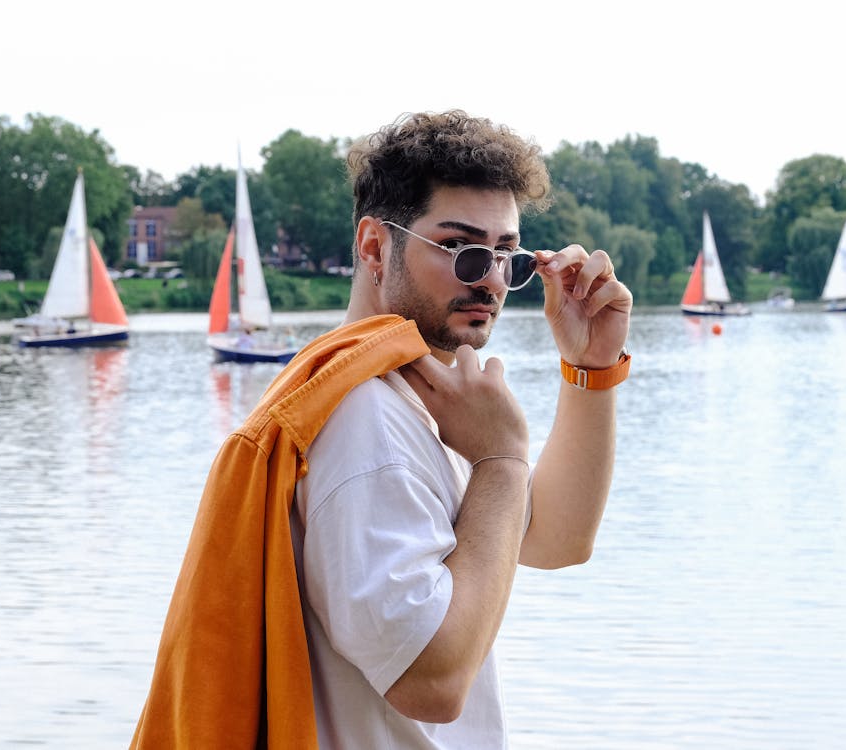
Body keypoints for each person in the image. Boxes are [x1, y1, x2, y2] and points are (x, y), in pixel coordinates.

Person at [129, 110, 632, 749]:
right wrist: (502, 459)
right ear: (374, 246)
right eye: (460, 248)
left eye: (508, 255)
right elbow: (435, 680)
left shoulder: (411, 398)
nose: (491, 280)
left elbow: (557, 540)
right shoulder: (364, 419)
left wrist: (589, 369)